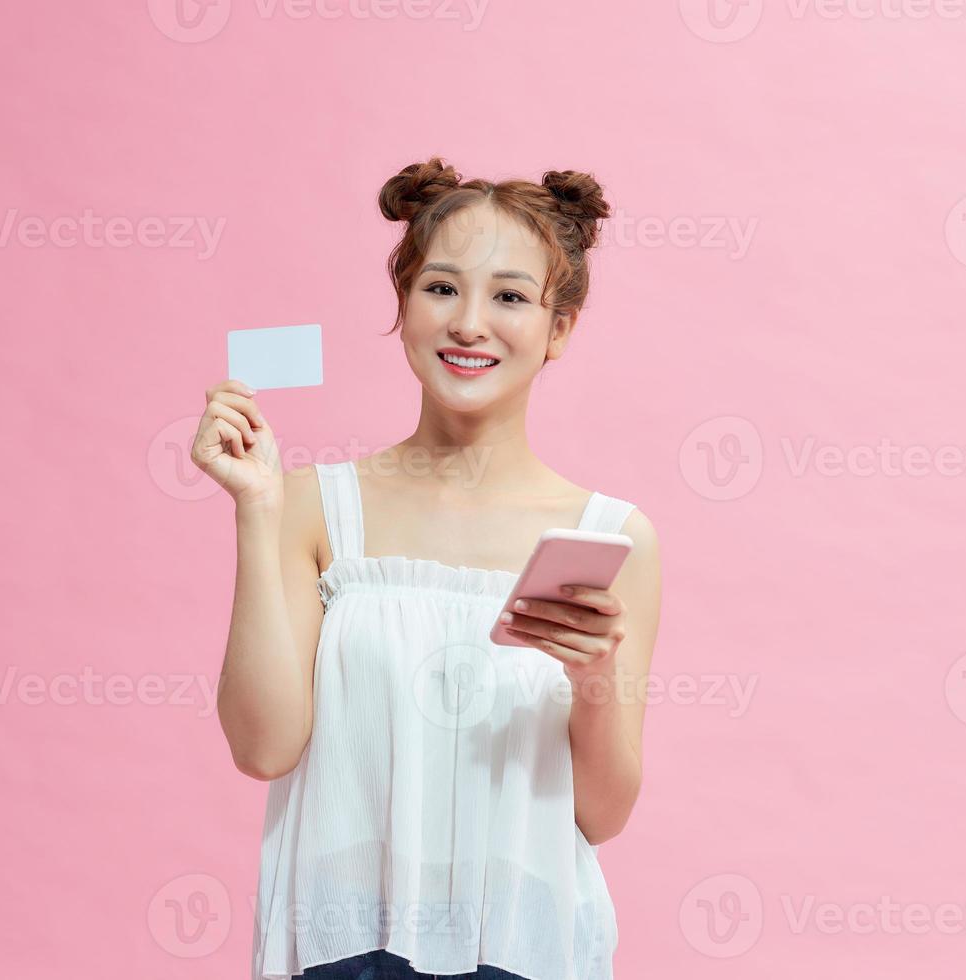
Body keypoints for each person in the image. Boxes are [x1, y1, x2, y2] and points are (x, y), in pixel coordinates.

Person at [190, 156, 663, 980]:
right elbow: (263, 747)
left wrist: (595, 678)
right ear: (403, 304)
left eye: (510, 297)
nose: (469, 323)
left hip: (521, 946)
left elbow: (602, 812)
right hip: (343, 943)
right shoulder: (311, 505)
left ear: (560, 327)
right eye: (441, 287)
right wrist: (255, 508)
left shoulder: (611, 537)